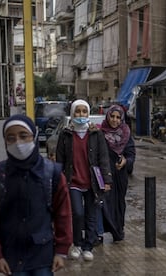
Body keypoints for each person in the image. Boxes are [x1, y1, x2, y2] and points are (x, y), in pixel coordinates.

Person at [0, 114, 72, 276]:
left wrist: (61, 250)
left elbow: (63, 215)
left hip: (43, 257)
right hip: (12, 257)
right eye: (11, 138)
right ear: (5, 142)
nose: (18, 142)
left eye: (23, 136)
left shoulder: (52, 173)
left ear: (34, 137)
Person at [56, 99, 112, 261]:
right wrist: (58, 181)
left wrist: (107, 180)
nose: (81, 115)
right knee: (77, 214)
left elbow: (103, 159)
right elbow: (60, 160)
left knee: (91, 215)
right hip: (72, 182)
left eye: (84, 111)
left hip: (92, 183)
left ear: (88, 113)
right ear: (72, 113)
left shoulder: (96, 134)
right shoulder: (65, 135)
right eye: (78, 111)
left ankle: (88, 247)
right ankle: (77, 244)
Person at [100, 104, 136, 242]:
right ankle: (101, 232)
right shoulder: (100, 134)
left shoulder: (126, 133)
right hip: (104, 176)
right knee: (105, 203)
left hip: (120, 176)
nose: (114, 120)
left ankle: (118, 231)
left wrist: (125, 161)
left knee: (119, 203)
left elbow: (131, 154)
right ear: (107, 116)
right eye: (112, 116)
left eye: (118, 117)